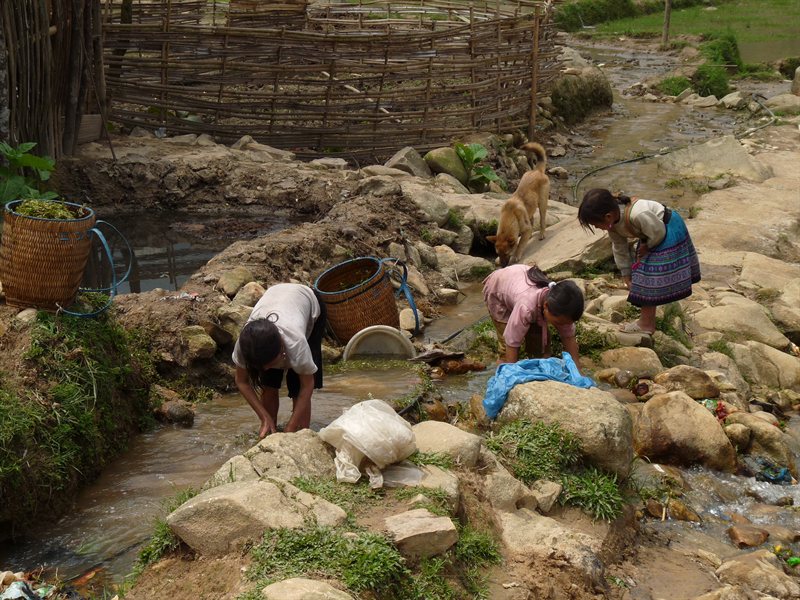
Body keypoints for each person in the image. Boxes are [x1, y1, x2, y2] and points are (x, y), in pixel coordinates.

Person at [577, 188, 701, 334]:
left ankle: (646, 324)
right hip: (651, 235)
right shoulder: (613, 225)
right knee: (641, 274)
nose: (597, 228)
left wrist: (647, 246)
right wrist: (626, 273)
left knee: (646, 276)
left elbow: (658, 232)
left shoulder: (638, 214)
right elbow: (619, 247)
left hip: (668, 229)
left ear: (608, 216)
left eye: (596, 224)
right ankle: (648, 319)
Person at [232, 283, 327, 438]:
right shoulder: (246, 344)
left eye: (271, 364)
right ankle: (270, 428)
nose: (268, 369)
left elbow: (307, 386)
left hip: (308, 301)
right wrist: (264, 417)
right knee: (269, 384)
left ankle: (301, 432)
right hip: (275, 295)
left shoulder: (295, 342)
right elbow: (242, 382)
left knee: (296, 386)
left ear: (282, 349)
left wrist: (290, 429)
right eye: (263, 367)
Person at [483, 264, 584, 366]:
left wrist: (577, 370)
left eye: (565, 323)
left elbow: (568, 337)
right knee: (506, 350)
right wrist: (512, 371)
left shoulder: (562, 306)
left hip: (519, 281)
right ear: (546, 306)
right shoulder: (526, 307)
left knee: (540, 349)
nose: (563, 326)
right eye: (558, 323)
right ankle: (502, 369)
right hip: (499, 289)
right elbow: (511, 343)